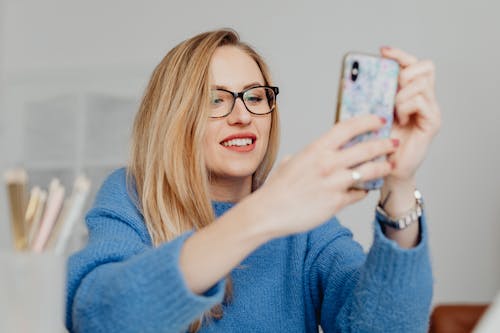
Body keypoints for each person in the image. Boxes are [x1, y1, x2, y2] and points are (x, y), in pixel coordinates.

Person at [66, 29, 441, 332]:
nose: (243, 116)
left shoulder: (304, 224)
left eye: (255, 96)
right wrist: (263, 214)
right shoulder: (132, 197)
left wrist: (399, 181)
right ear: (173, 117)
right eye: (215, 100)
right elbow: (100, 319)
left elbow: (384, 327)